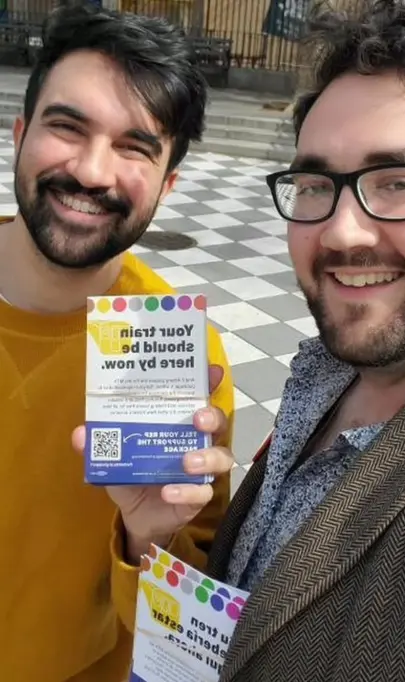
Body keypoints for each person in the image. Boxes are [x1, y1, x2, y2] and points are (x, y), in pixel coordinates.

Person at [75, 2, 405, 678]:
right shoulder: (329, 371)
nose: (342, 231)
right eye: (315, 184)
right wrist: (152, 534)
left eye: (399, 182)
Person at [0, 6, 234, 681]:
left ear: (167, 183)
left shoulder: (188, 361)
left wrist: (149, 535)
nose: (92, 171)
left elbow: (184, 633)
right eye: (67, 127)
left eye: (135, 147)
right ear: (20, 134)